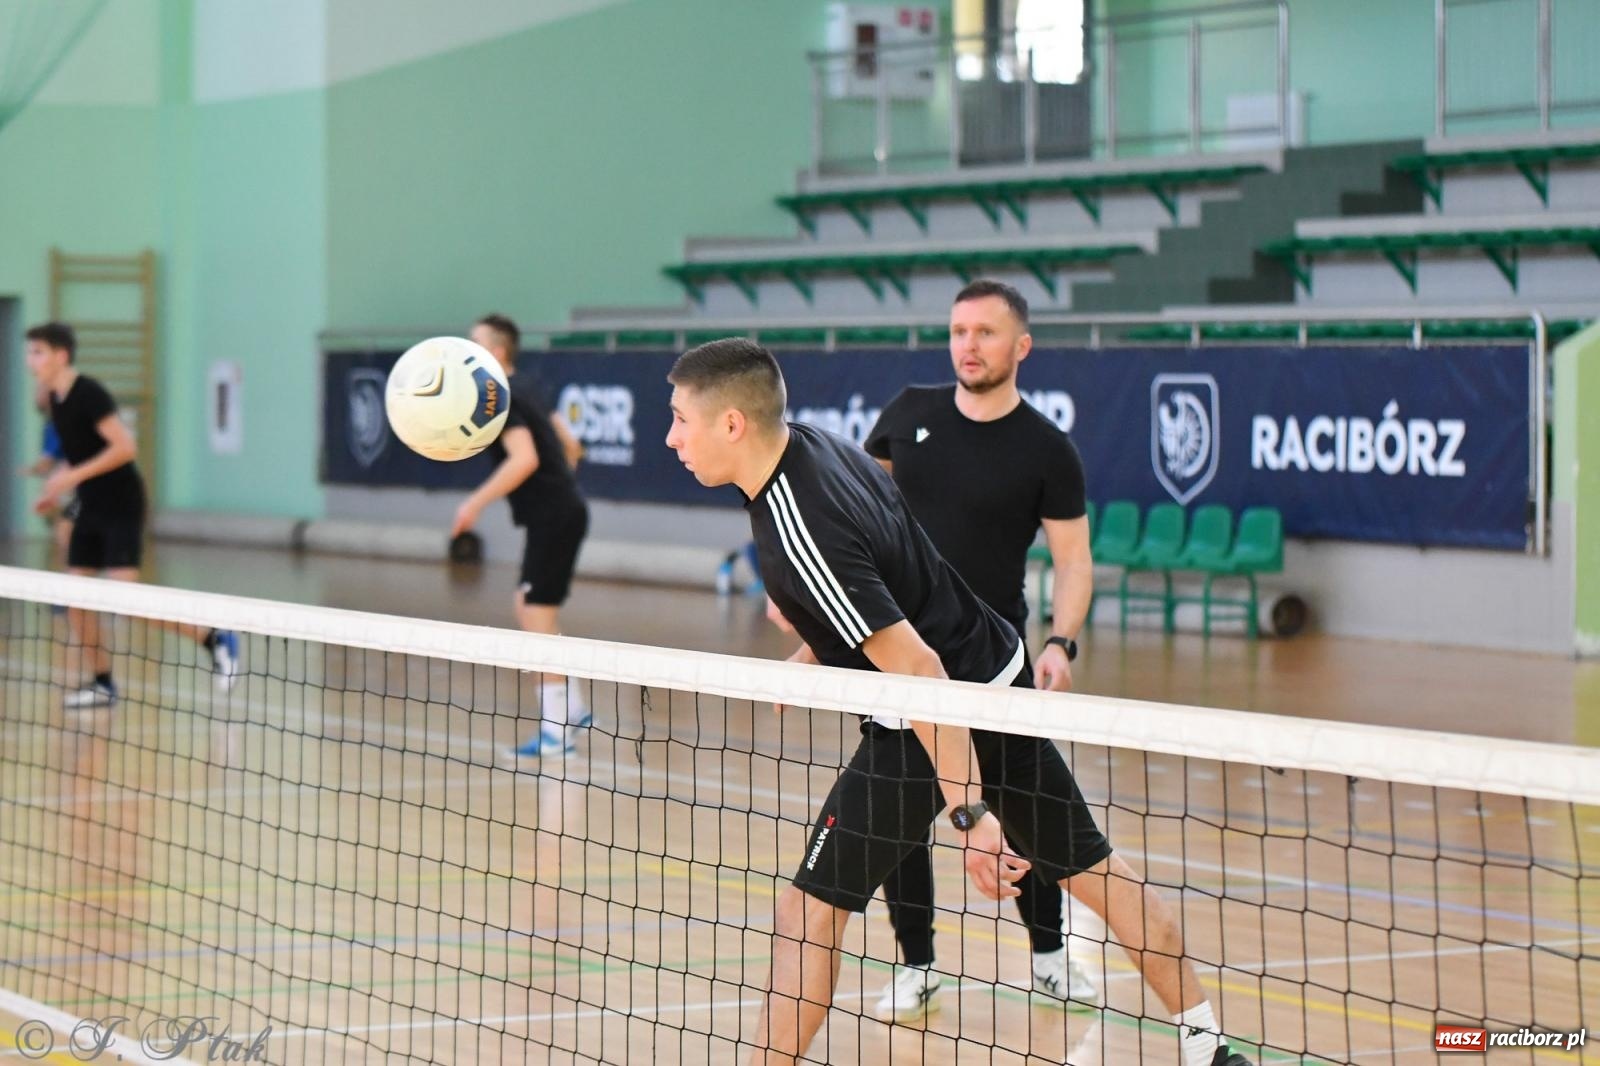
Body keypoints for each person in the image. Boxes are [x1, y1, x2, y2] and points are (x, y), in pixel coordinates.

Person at [664, 338, 1251, 1066]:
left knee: (807, 914)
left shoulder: (795, 526)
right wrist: (828, 642)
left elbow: (918, 669)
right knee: (1096, 873)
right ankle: (1208, 1043)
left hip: (929, 719)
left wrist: (969, 816)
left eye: (681, 419)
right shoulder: (822, 446)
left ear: (731, 425)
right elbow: (894, 564)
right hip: (1001, 678)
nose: (671, 437)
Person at [857, 278, 1099, 1019]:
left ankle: (1052, 955)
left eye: (986, 333)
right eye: (960, 331)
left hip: (995, 665)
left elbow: (1074, 560)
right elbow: (859, 515)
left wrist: (1060, 642)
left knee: (1022, 814)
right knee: (901, 817)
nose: (969, 344)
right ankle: (919, 962)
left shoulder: (1047, 450)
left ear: (1021, 347)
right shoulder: (908, 415)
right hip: (899, 655)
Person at [25, 322, 238, 706]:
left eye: (37, 352)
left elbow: (125, 447)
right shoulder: (56, 401)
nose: (30, 361)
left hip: (121, 502)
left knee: (125, 600)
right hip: (89, 503)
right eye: (29, 352)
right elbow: (80, 457)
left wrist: (71, 475)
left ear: (61, 355)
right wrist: (56, 485)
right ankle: (103, 682)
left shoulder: (88, 393)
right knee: (76, 602)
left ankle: (214, 636)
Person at [449, 314, 591, 761]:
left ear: (498, 352)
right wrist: (562, 489)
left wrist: (474, 503)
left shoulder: (501, 398)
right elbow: (572, 446)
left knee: (534, 617)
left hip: (554, 516)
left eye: (474, 343)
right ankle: (574, 709)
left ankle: (556, 733)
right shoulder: (528, 387)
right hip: (561, 512)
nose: (467, 350)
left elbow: (524, 459)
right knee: (532, 612)